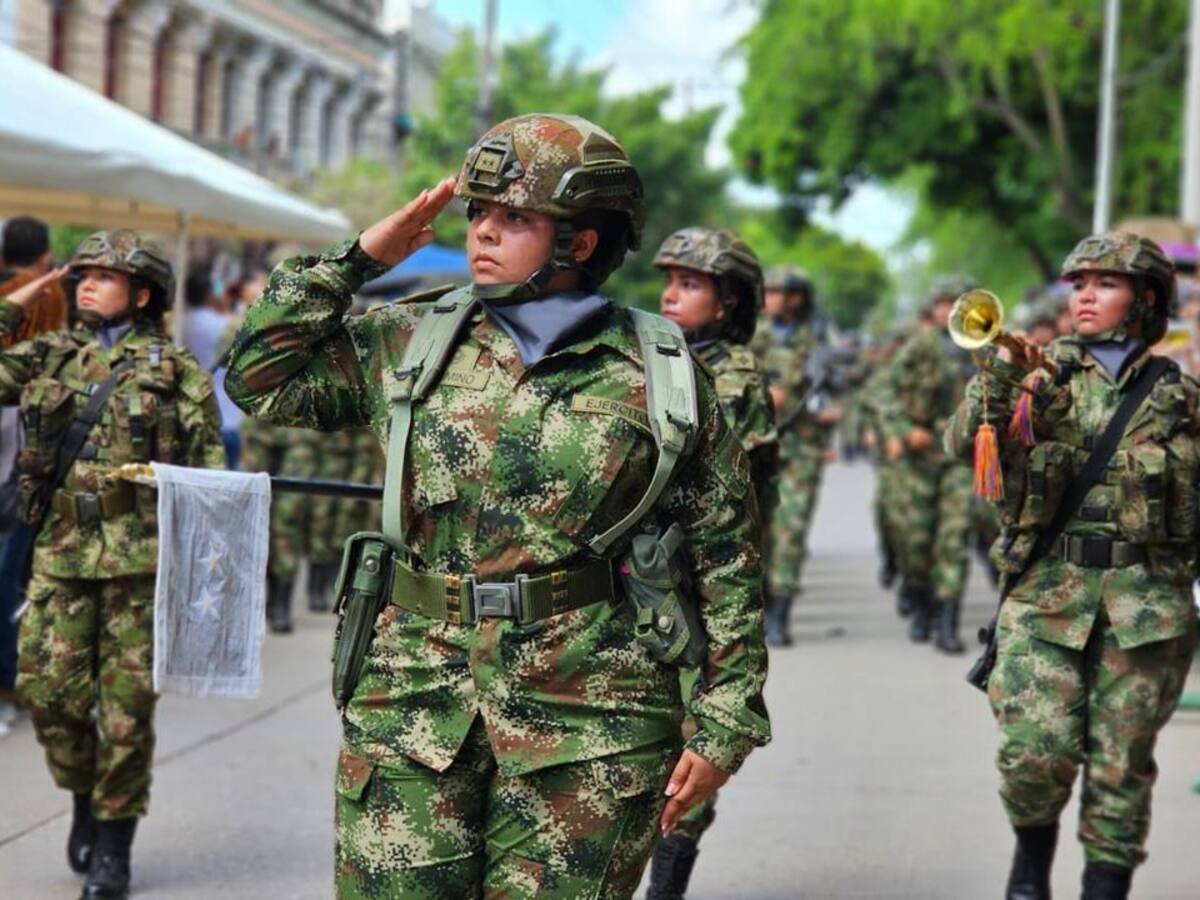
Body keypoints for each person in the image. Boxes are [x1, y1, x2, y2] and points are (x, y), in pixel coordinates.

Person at [226, 113, 770, 899]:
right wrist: (359, 260)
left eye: (514, 218)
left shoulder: (662, 373)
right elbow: (258, 377)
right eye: (478, 213)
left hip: (591, 718)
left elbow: (726, 554)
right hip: (411, 701)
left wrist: (726, 722)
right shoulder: (412, 338)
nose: (482, 232)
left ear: (580, 243)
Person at [946, 231, 1197, 900]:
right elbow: (962, 447)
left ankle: (1103, 888)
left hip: (1148, 606)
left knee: (1121, 767)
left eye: (1105, 284)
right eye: (1078, 284)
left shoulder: (1181, 394)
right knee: (1036, 750)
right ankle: (1030, 866)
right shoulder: (1038, 371)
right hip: (1045, 593)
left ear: (1144, 300)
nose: (1085, 294)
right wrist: (999, 381)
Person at [1, 230, 224, 898]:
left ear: (144, 293)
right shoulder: (50, 356)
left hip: (139, 568)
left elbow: (210, 471)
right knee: (51, 700)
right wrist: (29, 290)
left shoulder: (175, 370)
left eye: (104, 275)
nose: (86, 284)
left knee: (126, 714)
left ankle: (114, 844)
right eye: (82, 275)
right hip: (61, 563)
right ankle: (84, 794)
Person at [647, 226, 776, 899]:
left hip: (700, 587)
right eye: (669, 280)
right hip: (649, 584)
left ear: (728, 302)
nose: (671, 294)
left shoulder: (732, 378)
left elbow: (709, 487)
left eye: (690, 284)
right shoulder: (659, 357)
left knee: (696, 737)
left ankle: (666, 885)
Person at [876, 276, 977, 653]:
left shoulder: (983, 348)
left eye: (961, 302)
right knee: (915, 539)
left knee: (954, 537)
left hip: (961, 456)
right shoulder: (919, 347)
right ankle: (920, 599)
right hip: (918, 455)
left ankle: (947, 621)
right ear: (933, 308)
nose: (951, 309)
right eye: (945, 302)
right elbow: (884, 390)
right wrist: (902, 429)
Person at [0, 216, 70, 735]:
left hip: (20, 455)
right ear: (44, 255)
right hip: (26, 455)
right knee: (12, 576)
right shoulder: (53, 302)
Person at [750, 265, 840, 645]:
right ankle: (765, 602)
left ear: (796, 298)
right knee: (760, 531)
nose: (768, 299)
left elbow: (836, 387)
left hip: (803, 447)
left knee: (792, 529)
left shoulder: (817, 340)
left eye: (776, 292)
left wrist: (830, 411)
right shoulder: (752, 336)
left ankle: (781, 615)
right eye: (765, 292)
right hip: (758, 444)